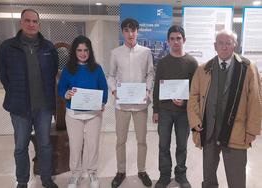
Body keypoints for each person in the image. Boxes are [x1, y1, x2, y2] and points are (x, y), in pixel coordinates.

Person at [187, 30, 262, 188]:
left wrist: (251, 131)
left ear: (235, 45)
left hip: (237, 133)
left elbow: (256, 101)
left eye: (229, 43)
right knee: (208, 178)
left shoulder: (247, 68)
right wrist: (195, 122)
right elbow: (193, 96)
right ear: (215, 46)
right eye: (220, 43)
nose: (224, 47)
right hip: (209, 132)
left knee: (236, 179)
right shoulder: (204, 69)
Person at [0, 9, 58, 188]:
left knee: (45, 145)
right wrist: (16, 93)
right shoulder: (8, 47)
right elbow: (3, 75)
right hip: (19, 107)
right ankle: (22, 181)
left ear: (39, 24)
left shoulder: (48, 47)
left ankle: (46, 179)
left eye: (35, 21)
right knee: (20, 147)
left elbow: (53, 72)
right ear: (21, 23)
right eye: (27, 21)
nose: (31, 24)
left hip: (44, 107)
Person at [108, 18, 154, 188]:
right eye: (126, 30)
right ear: (122, 32)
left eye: (133, 30)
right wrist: (114, 90)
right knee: (121, 140)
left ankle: (142, 170)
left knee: (142, 140)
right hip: (122, 105)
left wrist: (148, 90)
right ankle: (121, 171)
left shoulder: (146, 52)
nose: (130, 34)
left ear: (137, 31)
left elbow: (150, 74)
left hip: (141, 104)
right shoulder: (115, 53)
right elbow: (111, 75)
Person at [58, 35, 108, 188]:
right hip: (73, 114)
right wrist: (66, 94)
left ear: (90, 51)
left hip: (94, 114)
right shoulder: (68, 69)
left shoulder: (97, 68)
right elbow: (61, 88)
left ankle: (92, 173)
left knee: (92, 145)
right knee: (75, 145)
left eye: (86, 50)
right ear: (74, 51)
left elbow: (104, 88)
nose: (83, 53)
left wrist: (103, 102)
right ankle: (75, 175)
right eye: (79, 50)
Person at [152, 25, 198, 188]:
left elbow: (195, 90)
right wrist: (155, 110)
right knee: (163, 145)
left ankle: (181, 175)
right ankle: (164, 175)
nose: (175, 41)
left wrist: (185, 102)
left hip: (183, 113)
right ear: (168, 41)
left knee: (182, 145)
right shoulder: (163, 63)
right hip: (164, 111)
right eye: (172, 38)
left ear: (184, 40)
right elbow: (157, 86)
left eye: (178, 38)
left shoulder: (192, 63)